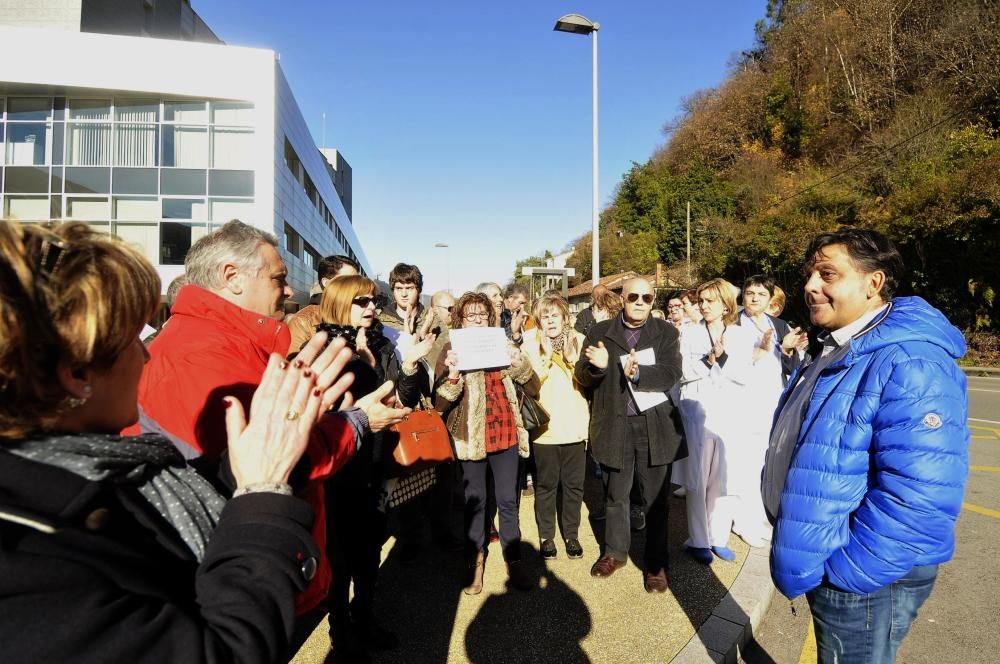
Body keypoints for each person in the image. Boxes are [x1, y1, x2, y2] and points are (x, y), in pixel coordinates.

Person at [0, 221, 358, 663]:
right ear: (76, 375)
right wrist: (263, 493)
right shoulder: (29, 554)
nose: (148, 352)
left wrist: (253, 463)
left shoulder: (85, 476)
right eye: (131, 337)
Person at [125, 220, 408, 631]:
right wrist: (358, 422)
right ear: (232, 277)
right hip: (240, 582)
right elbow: (276, 464)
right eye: (278, 278)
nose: (289, 290)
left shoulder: (213, 342)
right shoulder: (206, 357)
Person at [764, 228, 969, 663]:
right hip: (840, 564)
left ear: (873, 283)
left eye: (827, 274)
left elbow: (921, 497)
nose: (809, 286)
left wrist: (846, 574)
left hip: (867, 580)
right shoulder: (839, 346)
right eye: (809, 274)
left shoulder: (908, 359)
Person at [316, 275, 432, 662]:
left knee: (369, 554)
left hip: (377, 464)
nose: (371, 307)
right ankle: (341, 635)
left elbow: (404, 401)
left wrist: (411, 365)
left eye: (373, 300)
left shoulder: (384, 343)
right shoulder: (320, 349)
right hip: (337, 472)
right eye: (360, 301)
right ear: (338, 303)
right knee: (340, 561)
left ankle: (363, 617)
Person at [575, 278, 685, 594]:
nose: (639, 301)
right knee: (615, 495)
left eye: (646, 297)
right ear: (622, 298)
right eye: (633, 296)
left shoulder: (666, 333)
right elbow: (582, 375)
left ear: (653, 301)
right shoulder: (599, 332)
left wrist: (638, 374)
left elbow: (670, 373)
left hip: (654, 427)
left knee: (656, 501)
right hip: (613, 424)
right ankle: (614, 552)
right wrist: (596, 368)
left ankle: (655, 565)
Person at [434, 292, 540, 595]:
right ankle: (475, 562)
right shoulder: (452, 349)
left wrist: (518, 362)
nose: (478, 319)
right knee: (475, 503)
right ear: (460, 320)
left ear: (491, 317)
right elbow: (440, 405)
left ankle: (514, 560)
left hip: (506, 434)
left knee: (508, 501)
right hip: (471, 439)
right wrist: (452, 377)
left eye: (483, 314)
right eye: (471, 315)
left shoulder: (504, 344)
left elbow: (534, 387)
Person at [677, 278, 753, 565]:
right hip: (698, 412)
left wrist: (723, 360)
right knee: (697, 478)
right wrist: (708, 361)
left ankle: (717, 537)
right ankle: (698, 539)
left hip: (730, 414)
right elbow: (682, 372)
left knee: (724, 479)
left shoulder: (741, 335)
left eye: (710, 301)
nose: (703, 306)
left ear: (726, 305)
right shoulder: (689, 333)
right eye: (701, 300)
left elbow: (745, 375)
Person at [521, 294, 589, 561]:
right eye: (544, 316)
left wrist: (572, 361)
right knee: (546, 485)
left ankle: (571, 534)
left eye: (554, 315)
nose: (550, 321)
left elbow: (589, 380)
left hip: (575, 424)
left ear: (564, 317)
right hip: (545, 429)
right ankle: (546, 536)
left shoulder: (580, 341)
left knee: (574, 486)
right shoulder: (530, 346)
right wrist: (546, 358)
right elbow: (529, 384)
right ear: (538, 321)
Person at [286, 254, 360, 355]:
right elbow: (296, 366)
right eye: (348, 281)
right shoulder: (303, 321)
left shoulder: (361, 313)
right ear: (326, 283)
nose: (356, 287)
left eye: (357, 282)